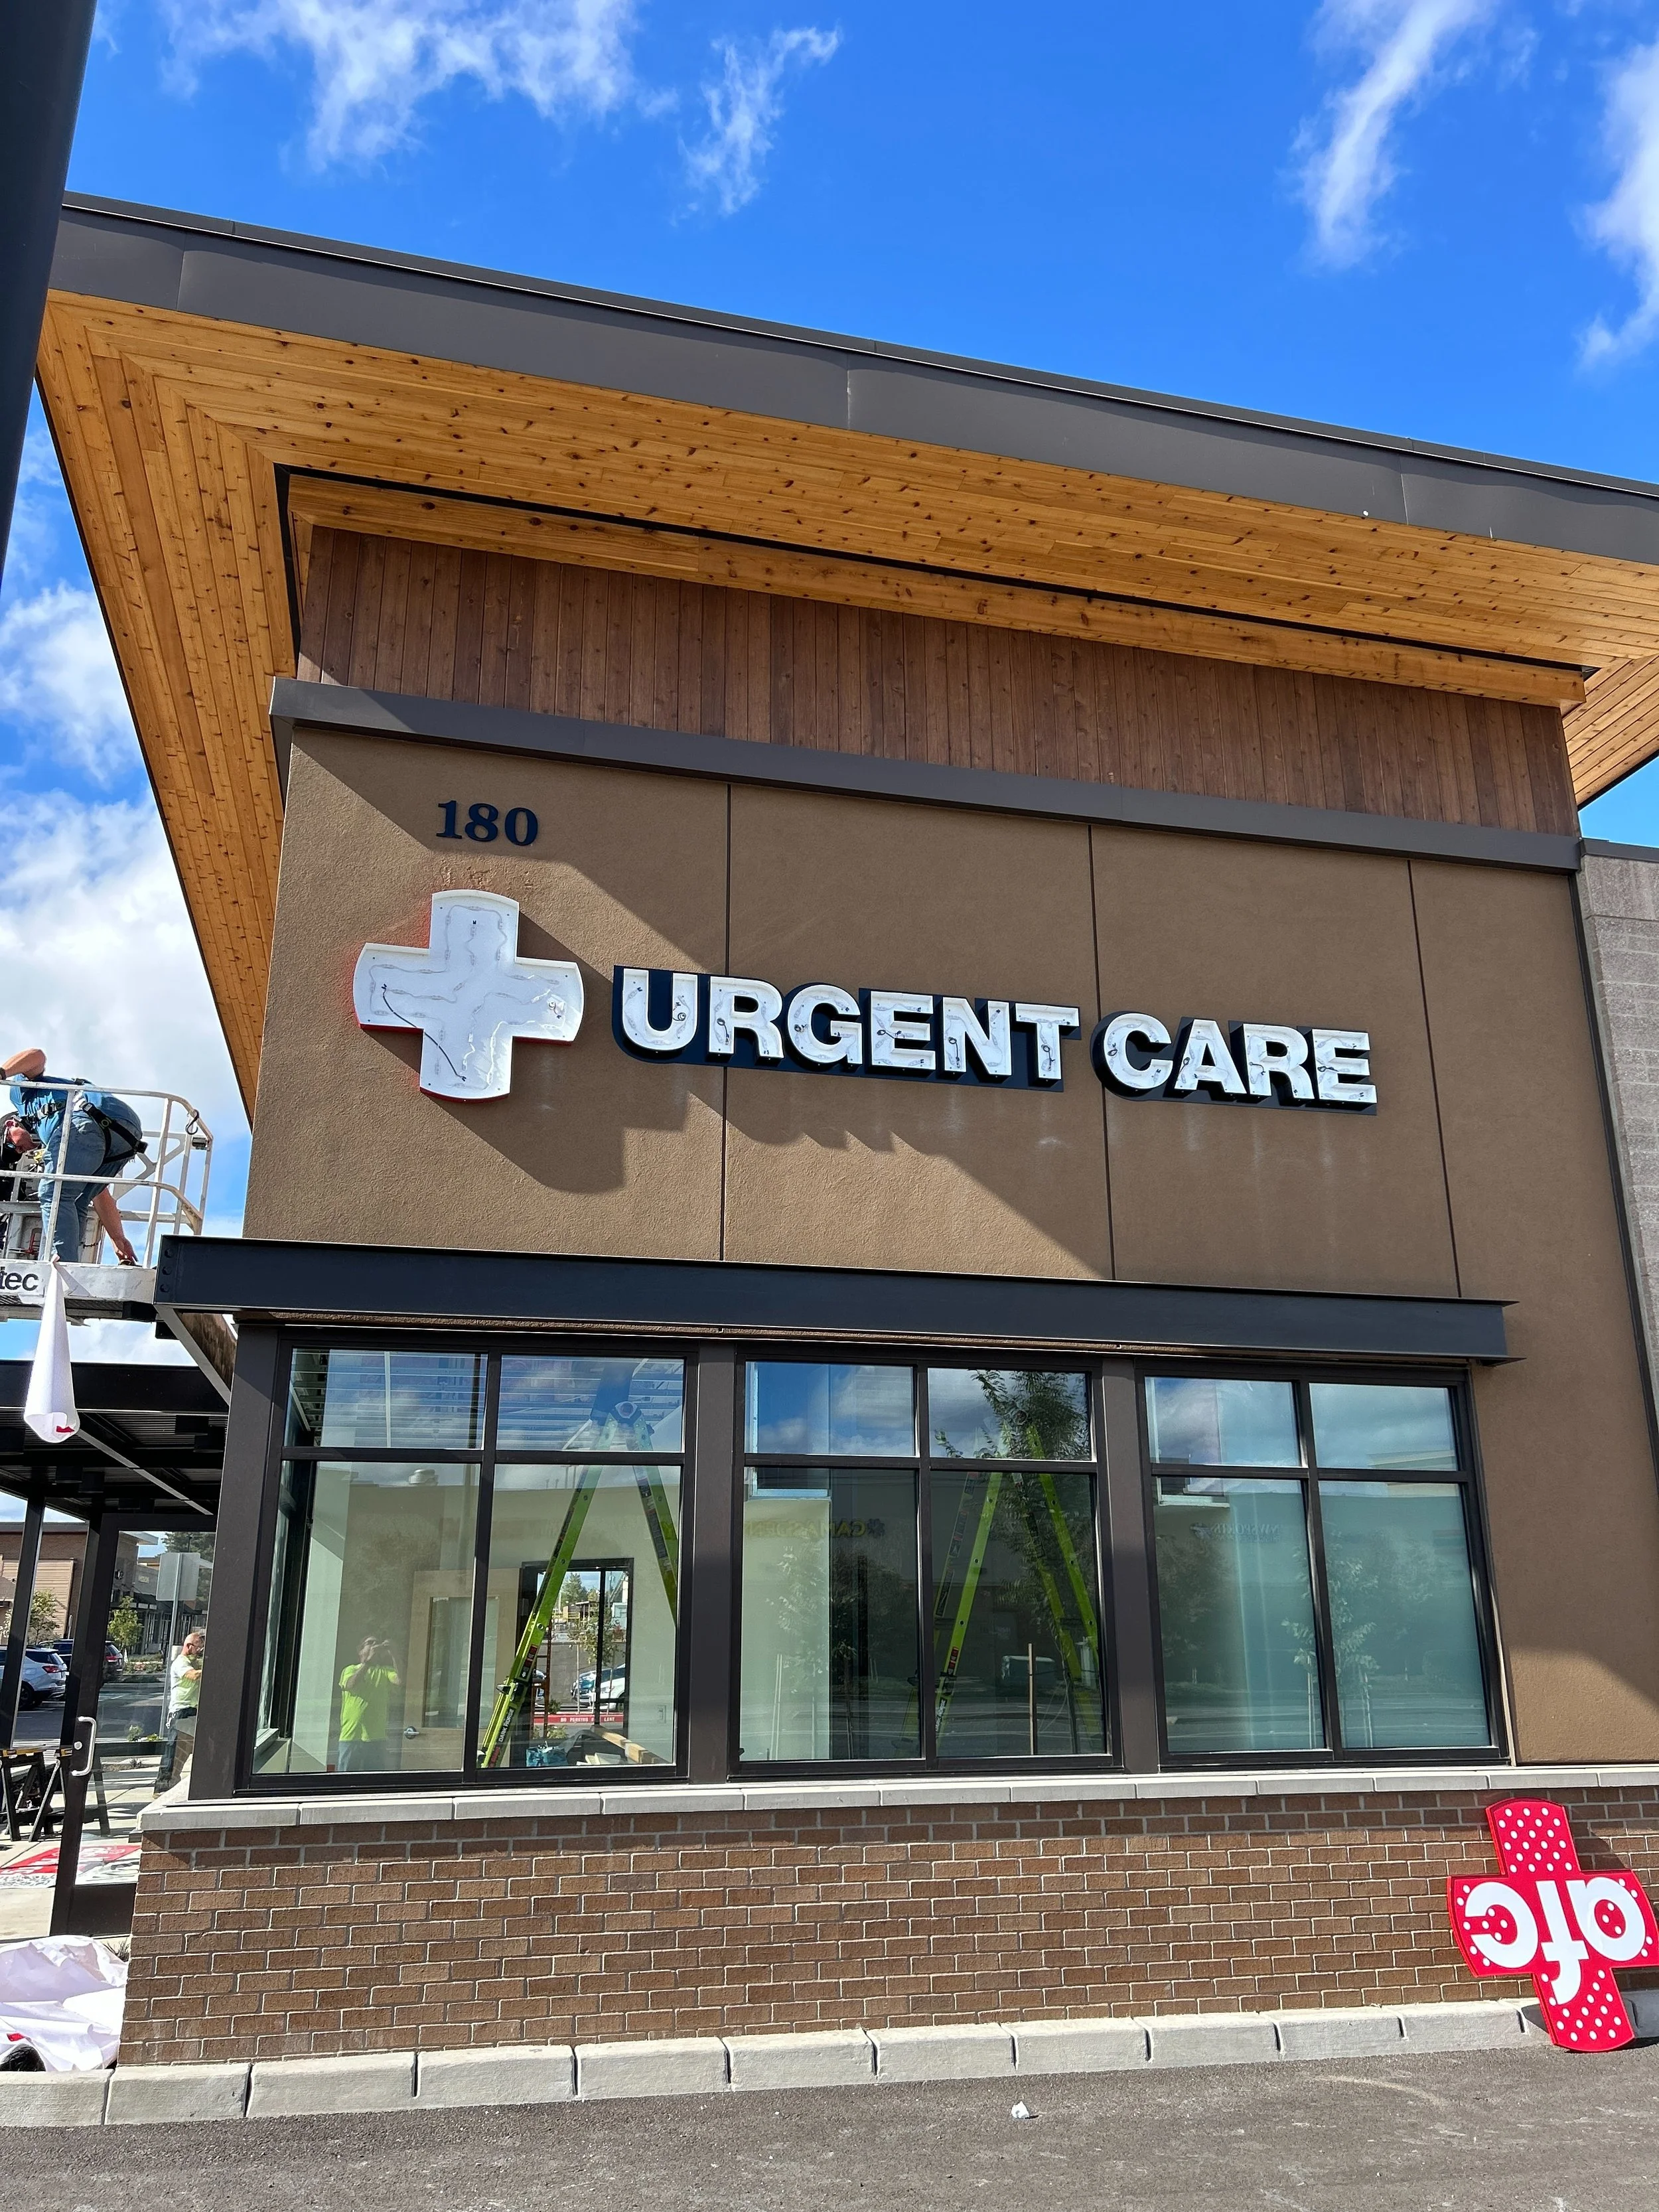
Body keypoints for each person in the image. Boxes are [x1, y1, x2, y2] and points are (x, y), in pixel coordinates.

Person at [1, 1049, 138, 1265]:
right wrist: (118, 1239)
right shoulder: (67, 1143)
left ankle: (62, 1269)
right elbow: (100, 1194)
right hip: (126, 1132)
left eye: (13, 1146)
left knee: (53, 1192)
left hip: (85, 1119)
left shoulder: (22, 1096)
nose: (21, 1152)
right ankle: (71, 1267)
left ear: (11, 1125)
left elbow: (37, 1056)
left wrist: (2, 1073)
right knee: (76, 1198)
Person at [336, 1637, 401, 1773]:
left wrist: (394, 1654)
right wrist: (368, 1663)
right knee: (346, 1780)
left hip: (375, 1738)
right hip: (351, 1736)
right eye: (369, 1643)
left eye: (376, 1643)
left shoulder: (385, 1671)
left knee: (373, 1782)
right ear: (360, 1651)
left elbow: (400, 1680)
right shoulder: (351, 1669)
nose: (374, 1645)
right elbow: (350, 1684)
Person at [154, 1628, 205, 1793]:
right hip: (181, 1712)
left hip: (192, 1710)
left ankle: (174, 1781)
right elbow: (193, 1676)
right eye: (198, 1648)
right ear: (189, 1646)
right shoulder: (181, 1663)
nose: (199, 1652)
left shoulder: (192, 1662)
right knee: (174, 1752)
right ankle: (163, 1785)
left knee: (186, 1751)